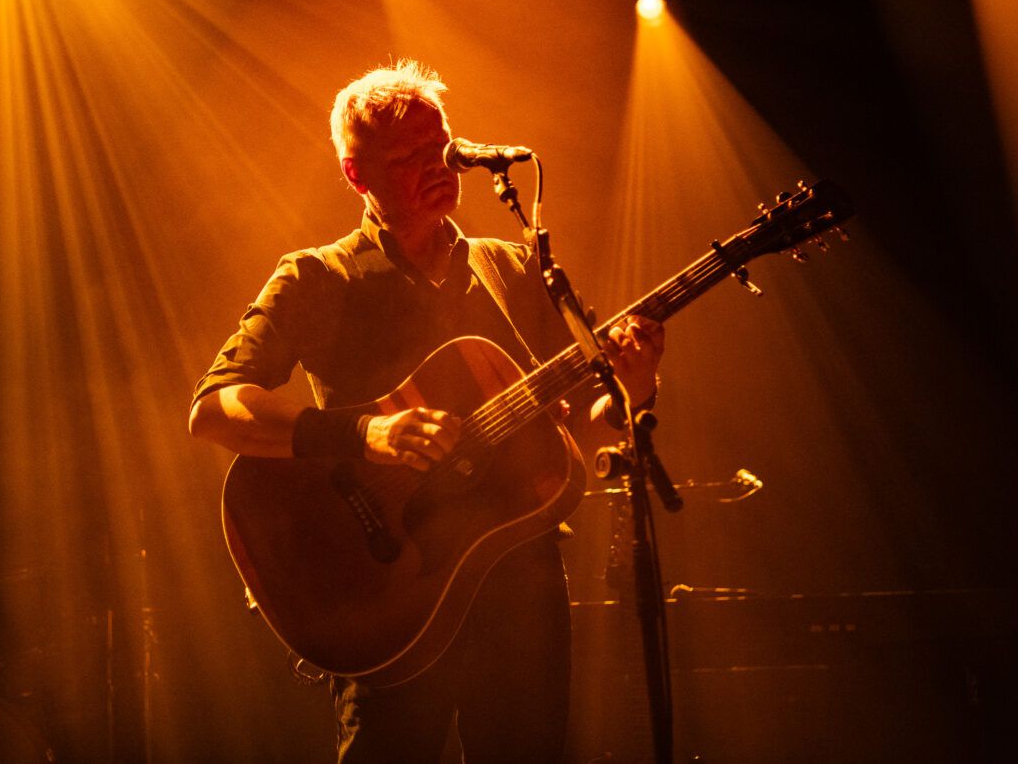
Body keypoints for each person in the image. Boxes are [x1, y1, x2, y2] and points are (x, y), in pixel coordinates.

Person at [188, 60, 664, 763]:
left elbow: (578, 428)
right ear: (357, 176)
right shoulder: (318, 275)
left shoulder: (512, 268)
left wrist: (636, 386)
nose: (438, 165)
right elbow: (216, 410)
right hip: (388, 589)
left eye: (440, 146)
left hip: (519, 582)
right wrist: (364, 432)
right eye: (407, 157)